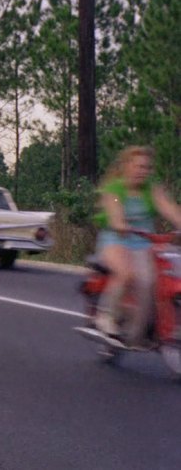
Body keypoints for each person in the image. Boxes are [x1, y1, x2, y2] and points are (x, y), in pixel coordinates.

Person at [93, 146, 181, 346]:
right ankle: (105, 315)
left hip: (144, 242)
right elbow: (113, 207)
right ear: (126, 166)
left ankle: (137, 333)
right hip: (116, 240)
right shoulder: (114, 189)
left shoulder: (152, 189)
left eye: (147, 167)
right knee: (126, 273)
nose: (143, 170)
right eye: (138, 166)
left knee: (151, 281)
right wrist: (119, 222)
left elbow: (170, 208)